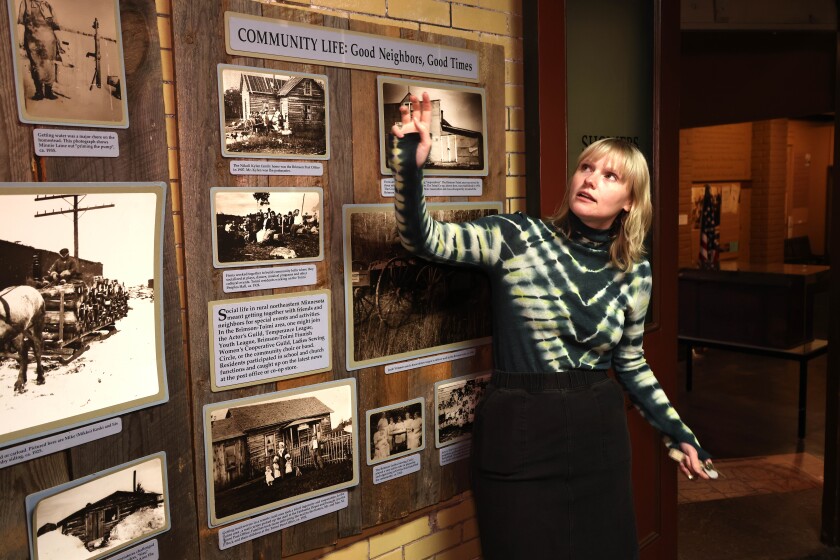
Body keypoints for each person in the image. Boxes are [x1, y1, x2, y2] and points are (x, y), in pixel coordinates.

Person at [388, 92, 716, 560]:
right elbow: (423, 240)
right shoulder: (516, 237)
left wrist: (678, 432)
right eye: (586, 168)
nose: (591, 179)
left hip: (596, 433)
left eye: (610, 176)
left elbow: (630, 362)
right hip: (519, 427)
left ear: (629, 202)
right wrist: (410, 163)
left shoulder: (635, 272)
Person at [17, 0, 61, 101]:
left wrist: (59, 40)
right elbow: (20, 23)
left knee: (49, 65)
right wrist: (19, 38)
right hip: (32, 41)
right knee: (36, 65)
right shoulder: (25, 3)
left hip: (50, 42)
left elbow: (55, 26)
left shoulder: (47, 5)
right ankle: (39, 92)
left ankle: (49, 92)